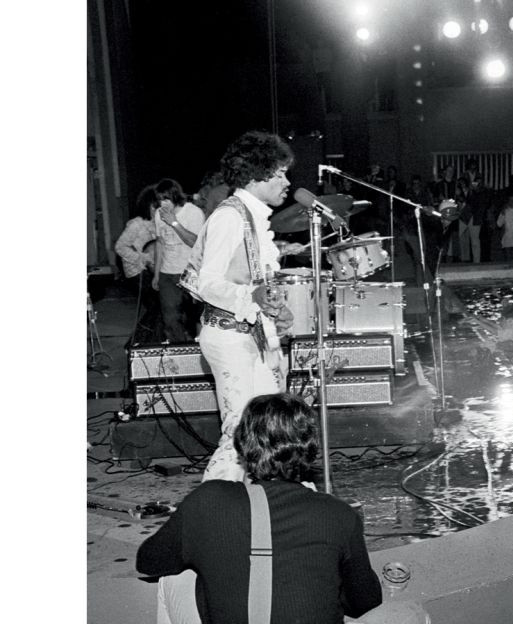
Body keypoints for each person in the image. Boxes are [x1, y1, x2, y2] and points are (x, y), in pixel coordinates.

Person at [136, 393, 425, 624]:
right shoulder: (337, 514)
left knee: (173, 573)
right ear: (309, 451)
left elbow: (148, 562)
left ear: (242, 447)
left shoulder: (208, 499)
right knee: (413, 615)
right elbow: (365, 602)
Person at [184, 131, 303, 482]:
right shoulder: (229, 218)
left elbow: (252, 282)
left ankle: (256, 506)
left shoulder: (252, 218)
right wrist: (250, 298)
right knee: (239, 432)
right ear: (256, 175)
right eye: (279, 173)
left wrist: (274, 309)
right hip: (228, 338)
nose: (287, 181)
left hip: (251, 336)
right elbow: (207, 284)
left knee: (266, 428)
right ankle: (213, 511)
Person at [151, 178, 206, 343]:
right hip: (167, 273)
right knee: (170, 318)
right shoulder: (158, 215)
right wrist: (156, 274)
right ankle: (179, 351)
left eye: (166, 199)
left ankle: (200, 350)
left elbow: (195, 242)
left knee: (196, 317)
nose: (163, 203)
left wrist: (174, 222)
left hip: (190, 272)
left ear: (175, 196)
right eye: (160, 199)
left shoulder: (193, 212)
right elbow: (160, 244)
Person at [114, 185, 161, 342]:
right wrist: (141, 257)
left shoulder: (157, 223)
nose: (158, 210)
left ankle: (145, 342)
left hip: (150, 271)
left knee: (158, 308)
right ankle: (138, 343)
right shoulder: (136, 224)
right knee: (156, 307)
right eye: (155, 206)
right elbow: (120, 247)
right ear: (147, 205)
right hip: (136, 272)